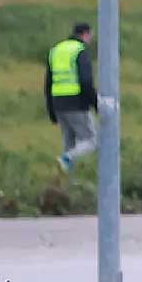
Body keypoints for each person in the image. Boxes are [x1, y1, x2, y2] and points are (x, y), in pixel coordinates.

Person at [45, 22, 98, 173]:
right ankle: (67, 158)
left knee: (69, 143)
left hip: (58, 104)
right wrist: (95, 103)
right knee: (91, 141)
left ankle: (68, 180)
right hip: (76, 103)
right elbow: (86, 82)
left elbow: (48, 83)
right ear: (86, 34)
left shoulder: (56, 50)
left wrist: (51, 110)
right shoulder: (80, 51)